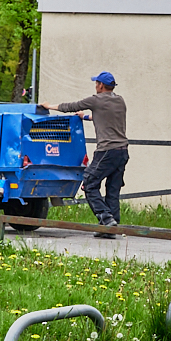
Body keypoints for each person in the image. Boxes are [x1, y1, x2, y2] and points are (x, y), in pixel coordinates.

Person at [43, 71, 128, 238]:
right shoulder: (120, 100)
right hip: (123, 152)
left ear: (101, 85)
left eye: (96, 83)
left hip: (106, 151)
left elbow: (71, 107)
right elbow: (105, 116)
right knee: (113, 189)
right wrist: (86, 117)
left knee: (88, 184)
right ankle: (110, 228)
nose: (95, 85)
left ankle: (105, 218)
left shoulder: (95, 100)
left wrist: (49, 106)